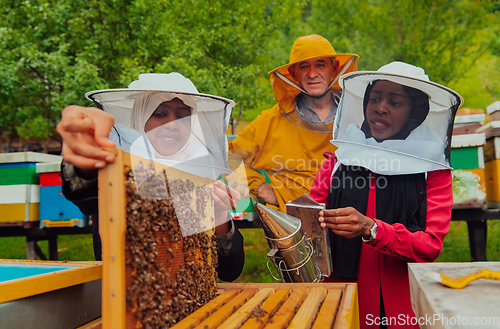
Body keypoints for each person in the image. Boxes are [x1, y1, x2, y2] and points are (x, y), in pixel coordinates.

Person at [310, 62, 463, 328]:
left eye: (395, 102)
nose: (381, 107)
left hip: (399, 303)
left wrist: (372, 229)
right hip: (339, 294)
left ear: (416, 112)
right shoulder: (340, 158)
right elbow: (312, 212)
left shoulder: (432, 170)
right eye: (375, 98)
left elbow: (430, 245)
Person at [56, 73, 245, 282]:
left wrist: (218, 217)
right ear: (140, 116)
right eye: (160, 114)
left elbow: (229, 271)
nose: (172, 124)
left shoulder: (197, 177)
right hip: (126, 302)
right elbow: (86, 189)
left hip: (188, 303)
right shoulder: (122, 170)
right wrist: (88, 147)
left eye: (183, 116)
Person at [228, 34, 358, 212]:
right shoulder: (271, 121)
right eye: (304, 66)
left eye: (320, 64)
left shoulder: (357, 117)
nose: (312, 74)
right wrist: (260, 188)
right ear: (293, 73)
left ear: (334, 68)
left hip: (348, 223)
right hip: (293, 228)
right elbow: (228, 158)